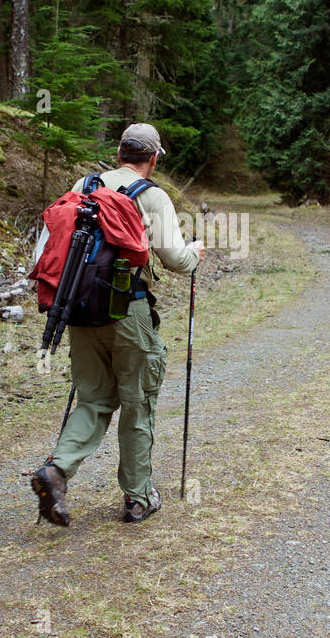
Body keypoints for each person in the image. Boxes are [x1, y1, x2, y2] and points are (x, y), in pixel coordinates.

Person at [31, 123, 205, 525]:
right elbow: (175, 260)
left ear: (119, 154)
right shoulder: (153, 195)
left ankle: (56, 472)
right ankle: (138, 497)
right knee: (137, 403)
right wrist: (195, 252)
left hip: (78, 310)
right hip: (129, 311)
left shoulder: (85, 185)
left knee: (93, 398)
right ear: (154, 158)